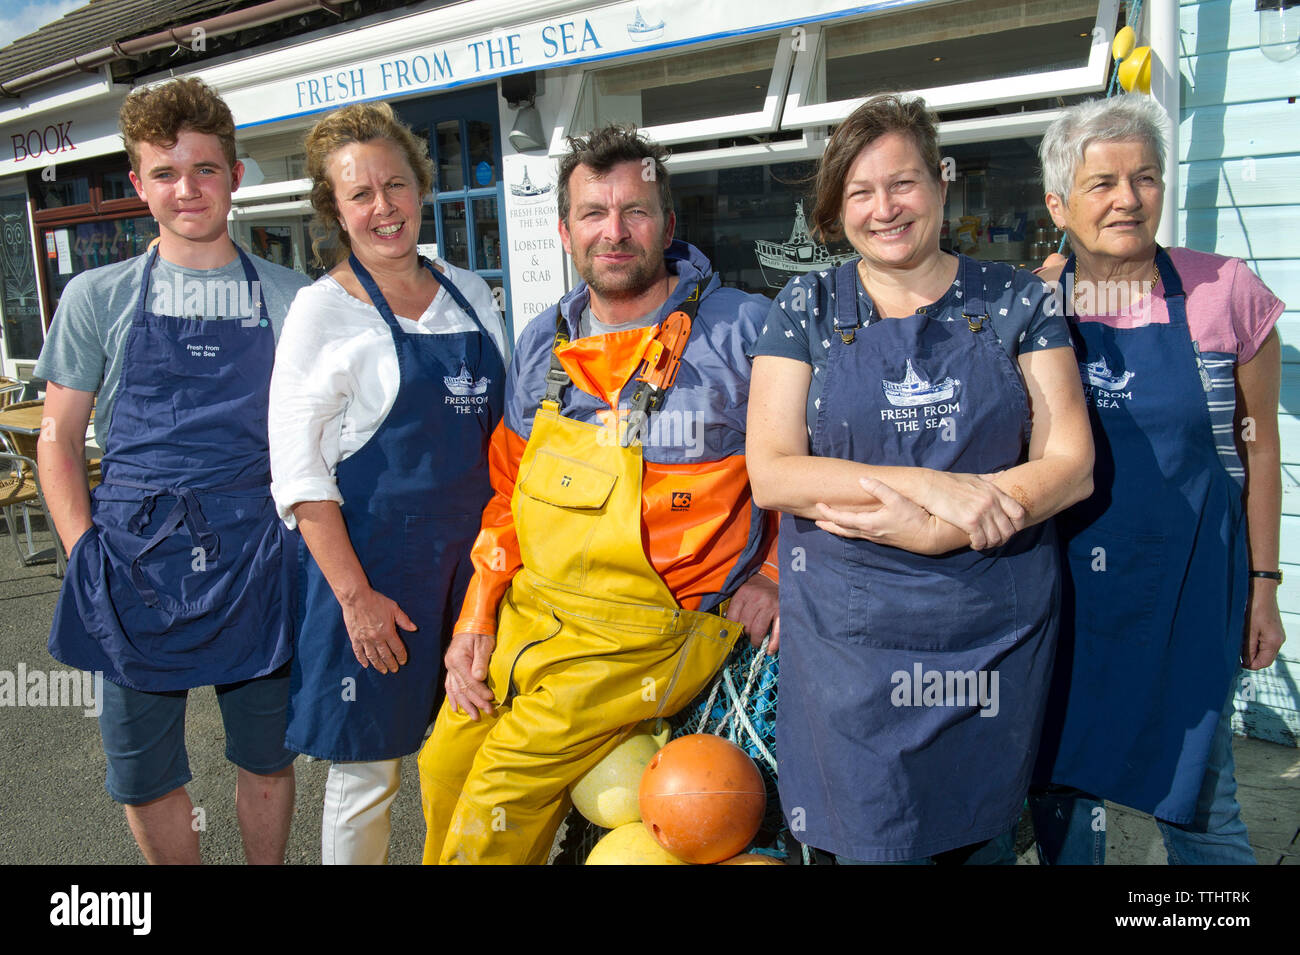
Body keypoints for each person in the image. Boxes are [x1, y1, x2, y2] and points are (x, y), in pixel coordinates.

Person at [745, 93, 1095, 864]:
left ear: (941, 182)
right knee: (871, 839)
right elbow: (772, 472)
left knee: (982, 841)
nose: (884, 208)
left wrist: (952, 524)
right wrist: (931, 488)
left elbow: (1070, 464)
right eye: (860, 192)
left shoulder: (1018, 299)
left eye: (902, 183)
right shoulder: (804, 305)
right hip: (851, 646)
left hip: (989, 628)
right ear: (838, 208)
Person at [417, 123, 779, 865]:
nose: (614, 232)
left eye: (636, 211)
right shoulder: (541, 345)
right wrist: (477, 615)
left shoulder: (744, 332)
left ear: (669, 225)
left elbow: (813, 466)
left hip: (654, 628)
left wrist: (774, 575)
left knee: (501, 789)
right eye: (593, 213)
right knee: (443, 761)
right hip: (539, 611)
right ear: (564, 230)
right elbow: (509, 493)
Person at [36, 78, 310, 864]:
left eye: (205, 169)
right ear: (137, 185)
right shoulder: (96, 296)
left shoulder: (291, 298)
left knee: (267, 756)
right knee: (144, 773)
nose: (186, 189)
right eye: (164, 172)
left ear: (235, 176)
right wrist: (84, 548)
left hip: (257, 555)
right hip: (129, 562)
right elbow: (58, 436)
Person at [1028, 95, 1286, 865]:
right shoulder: (1029, 301)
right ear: (1058, 202)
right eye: (1102, 182)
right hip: (1065, 595)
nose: (1127, 199)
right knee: (1067, 803)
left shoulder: (1225, 292)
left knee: (1200, 803)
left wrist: (1264, 584)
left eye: (1144, 177)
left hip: (1188, 593)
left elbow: (1261, 449)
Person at [268, 102, 507, 865]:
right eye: (360, 194)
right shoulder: (322, 312)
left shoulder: (472, 291)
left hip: (474, 579)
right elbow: (300, 472)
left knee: (475, 758)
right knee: (369, 775)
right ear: (333, 209)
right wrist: (356, 601)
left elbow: (509, 438)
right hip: (378, 582)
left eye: (395, 185)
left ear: (420, 188)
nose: (383, 208)